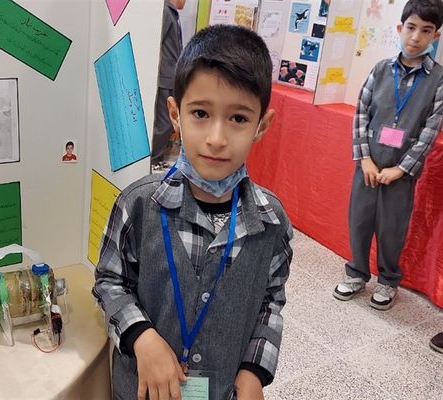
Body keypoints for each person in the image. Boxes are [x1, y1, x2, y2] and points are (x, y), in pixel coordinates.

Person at [93, 24, 292, 400]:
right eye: (200, 113)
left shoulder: (271, 221)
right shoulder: (138, 204)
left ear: (261, 125)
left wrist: (254, 369)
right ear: (175, 113)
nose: (217, 138)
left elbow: (271, 300)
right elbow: (108, 282)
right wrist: (141, 336)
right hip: (143, 390)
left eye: (238, 119)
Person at [333, 0, 443, 311]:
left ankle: (388, 280)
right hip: (368, 164)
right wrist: (364, 159)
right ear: (400, 28)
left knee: (392, 228)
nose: (416, 37)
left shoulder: (438, 80)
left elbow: (430, 130)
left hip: (400, 172)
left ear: (435, 36)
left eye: (426, 31)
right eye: (411, 27)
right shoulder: (380, 70)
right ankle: (356, 273)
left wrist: (402, 169)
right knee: (359, 221)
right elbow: (361, 114)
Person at [151, 0, 186, 171]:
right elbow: (156, 42)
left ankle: (157, 158)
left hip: (171, 76)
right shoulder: (164, 11)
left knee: (167, 122)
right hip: (165, 76)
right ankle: (153, 159)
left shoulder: (172, 13)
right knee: (163, 122)